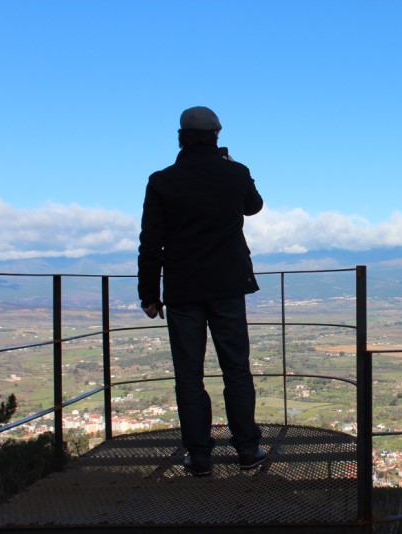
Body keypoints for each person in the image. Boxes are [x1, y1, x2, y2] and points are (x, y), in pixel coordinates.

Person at [137, 106, 265, 477]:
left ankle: (199, 455)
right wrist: (234, 165)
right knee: (236, 370)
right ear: (217, 136)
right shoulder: (234, 174)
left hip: (182, 289)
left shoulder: (162, 181)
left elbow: (151, 242)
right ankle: (247, 449)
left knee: (188, 375)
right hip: (228, 286)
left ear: (181, 137)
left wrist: (149, 292)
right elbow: (253, 206)